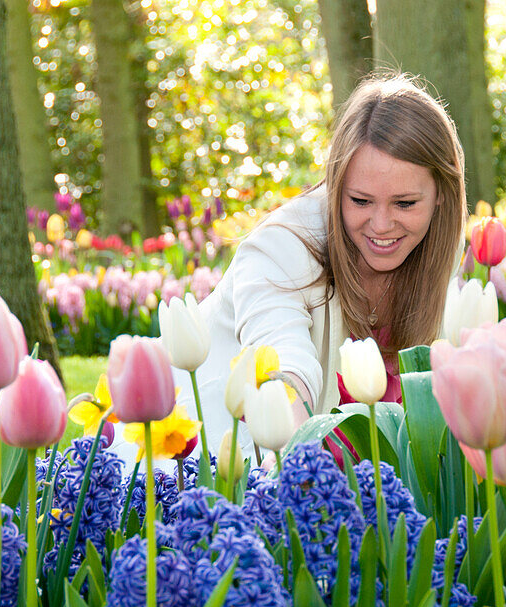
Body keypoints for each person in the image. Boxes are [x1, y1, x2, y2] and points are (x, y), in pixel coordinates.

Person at [120, 73, 467, 465]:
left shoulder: (435, 246)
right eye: (360, 200)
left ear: (442, 195)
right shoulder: (281, 248)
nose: (382, 224)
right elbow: (283, 365)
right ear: (336, 185)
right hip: (192, 472)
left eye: (405, 204)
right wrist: (301, 473)